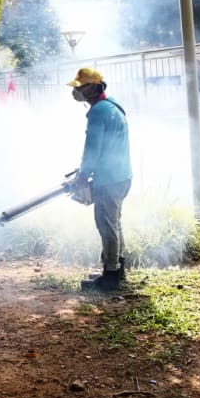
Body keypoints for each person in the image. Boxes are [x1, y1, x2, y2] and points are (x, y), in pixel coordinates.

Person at [67, 67, 132, 291]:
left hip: (109, 179)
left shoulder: (97, 112)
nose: (77, 92)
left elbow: (92, 148)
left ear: (92, 88)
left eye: (81, 87)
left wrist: (84, 175)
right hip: (121, 176)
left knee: (106, 224)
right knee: (114, 223)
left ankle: (110, 277)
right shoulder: (112, 105)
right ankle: (116, 267)